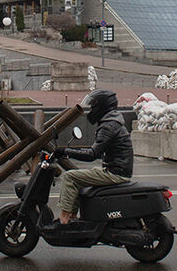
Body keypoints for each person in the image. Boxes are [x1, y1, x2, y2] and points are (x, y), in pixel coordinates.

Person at [53, 89, 133, 225]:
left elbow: (92, 154)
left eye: (93, 107)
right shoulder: (113, 122)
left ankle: (64, 220)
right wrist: (69, 150)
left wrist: (66, 151)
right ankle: (72, 216)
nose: (91, 111)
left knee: (70, 177)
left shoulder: (108, 126)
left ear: (101, 107)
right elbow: (98, 150)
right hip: (116, 169)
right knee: (78, 178)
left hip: (115, 173)